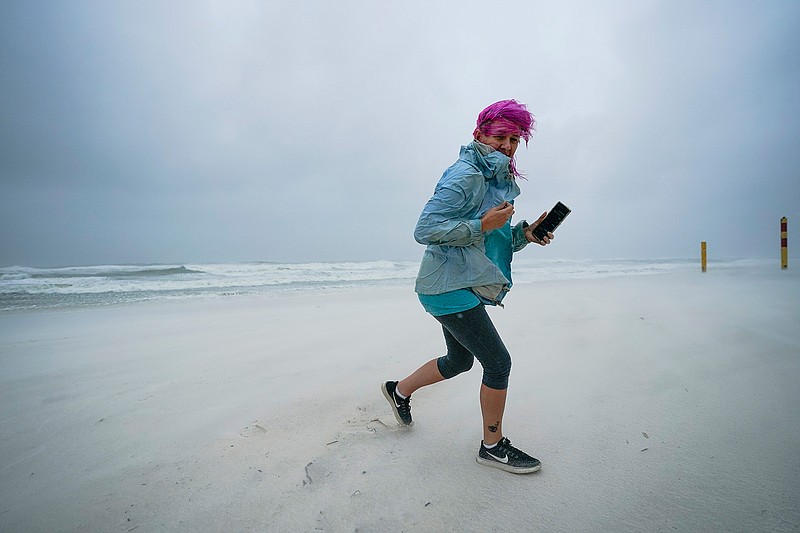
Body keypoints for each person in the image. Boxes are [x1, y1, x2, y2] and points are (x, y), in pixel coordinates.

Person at [381, 99, 554, 474]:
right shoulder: (466, 176)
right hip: (446, 286)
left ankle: (398, 391)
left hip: (459, 281)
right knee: (498, 362)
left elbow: (488, 237)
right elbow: (424, 230)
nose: (508, 146)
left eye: (515, 139)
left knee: (460, 361)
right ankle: (492, 446)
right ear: (479, 134)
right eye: (500, 136)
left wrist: (524, 235)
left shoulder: (494, 177)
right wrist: (482, 226)